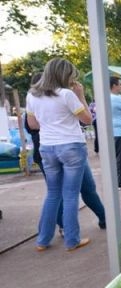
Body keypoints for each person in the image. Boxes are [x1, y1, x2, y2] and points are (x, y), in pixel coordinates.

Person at [26, 58, 94, 251]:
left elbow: (33, 125)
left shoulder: (32, 96)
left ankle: (43, 240)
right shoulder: (66, 95)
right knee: (71, 195)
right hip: (71, 145)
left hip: (47, 147)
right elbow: (87, 119)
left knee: (53, 194)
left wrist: (51, 124)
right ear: (64, 75)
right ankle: (72, 240)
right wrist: (80, 96)